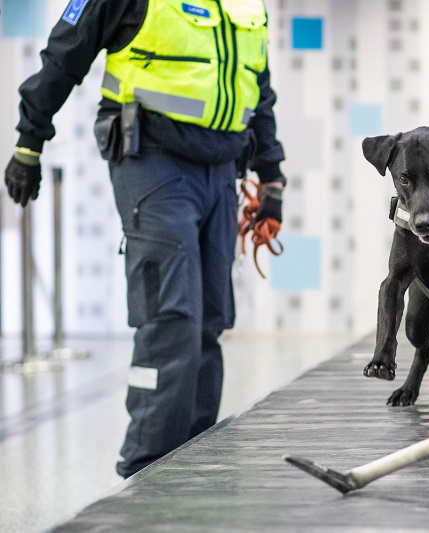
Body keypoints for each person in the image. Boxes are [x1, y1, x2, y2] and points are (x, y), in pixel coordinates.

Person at [4, 0, 286, 478]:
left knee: (209, 320)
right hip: (152, 159)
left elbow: (257, 87)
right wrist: (29, 142)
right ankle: (146, 473)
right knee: (170, 318)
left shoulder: (246, 4)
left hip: (220, 169)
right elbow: (65, 53)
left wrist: (272, 176)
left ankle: (193, 462)